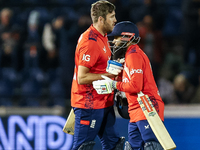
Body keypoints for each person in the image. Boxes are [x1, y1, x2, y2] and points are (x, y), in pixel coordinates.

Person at [93, 21, 165, 150]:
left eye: (116, 38)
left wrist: (114, 84)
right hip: (137, 109)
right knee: (134, 147)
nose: (114, 42)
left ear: (127, 36)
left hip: (147, 107)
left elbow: (135, 86)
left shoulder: (134, 56)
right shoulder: (129, 56)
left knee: (151, 146)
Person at [70, 1, 125, 150]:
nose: (115, 20)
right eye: (112, 16)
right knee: (83, 147)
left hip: (103, 102)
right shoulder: (90, 42)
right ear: (101, 19)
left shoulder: (102, 36)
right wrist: (109, 76)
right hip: (89, 105)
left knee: (115, 146)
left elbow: (99, 65)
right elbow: (82, 77)